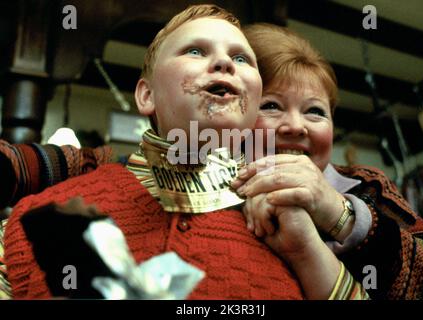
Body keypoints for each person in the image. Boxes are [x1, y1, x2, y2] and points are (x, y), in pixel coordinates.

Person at [1, 4, 370, 300]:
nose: (225, 62)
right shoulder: (46, 211)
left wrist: (308, 250)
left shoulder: (294, 228)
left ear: (253, 98)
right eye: (195, 51)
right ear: (146, 95)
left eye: (242, 59)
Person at [231, 23, 423, 300]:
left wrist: (340, 214)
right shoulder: (202, 192)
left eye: (315, 111)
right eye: (270, 105)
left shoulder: (367, 185)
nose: (296, 126)